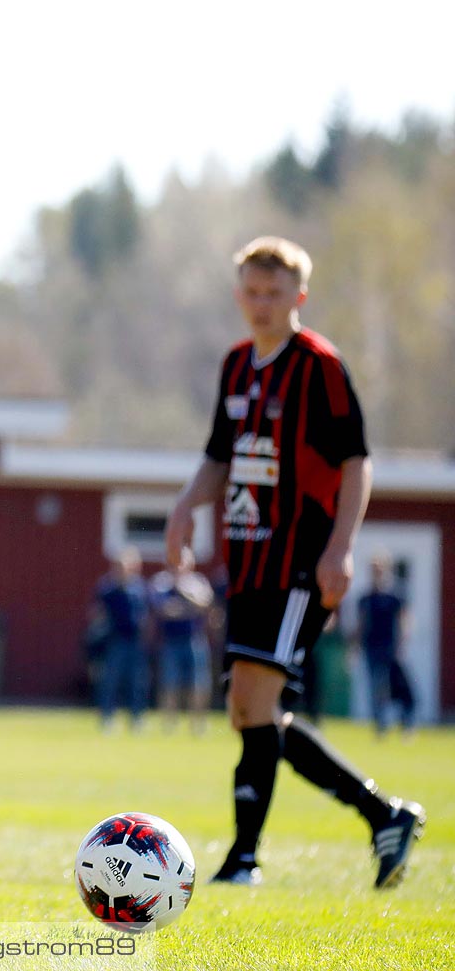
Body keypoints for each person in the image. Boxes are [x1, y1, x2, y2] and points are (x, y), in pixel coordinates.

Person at [165, 236, 423, 890]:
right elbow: (220, 456)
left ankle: (244, 861)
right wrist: (184, 507)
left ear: (298, 297)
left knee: (255, 700)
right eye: (251, 292)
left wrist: (341, 547)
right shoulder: (235, 366)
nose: (260, 304)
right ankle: (382, 814)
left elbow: (356, 461)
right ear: (238, 295)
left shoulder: (319, 366)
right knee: (252, 712)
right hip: (246, 562)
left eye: (273, 293)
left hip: (300, 562)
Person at [148, 547, 213, 734]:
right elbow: (164, 610)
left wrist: (183, 592)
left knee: (199, 683)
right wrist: (189, 608)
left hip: (195, 640)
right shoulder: (160, 582)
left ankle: (198, 723)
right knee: (169, 682)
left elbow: (205, 604)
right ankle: (169, 723)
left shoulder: (198, 581)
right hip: (170, 641)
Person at [356, 554, 415, 738]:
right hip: (371, 647)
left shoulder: (394, 597)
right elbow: (361, 625)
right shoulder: (365, 598)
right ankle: (380, 725)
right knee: (376, 687)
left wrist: (402, 644)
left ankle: (406, 722)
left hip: (391, 648)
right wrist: (354, 648)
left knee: (397, 686)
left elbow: (404, 620)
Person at [90, 549, 149, 731]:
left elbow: (145, 614)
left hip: (135, 641)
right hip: (115, 641)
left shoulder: (139, 588)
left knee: (136, 682)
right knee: (110, 681)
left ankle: (136, 719)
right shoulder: (108, 588)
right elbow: (97, 613)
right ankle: (107, 718)